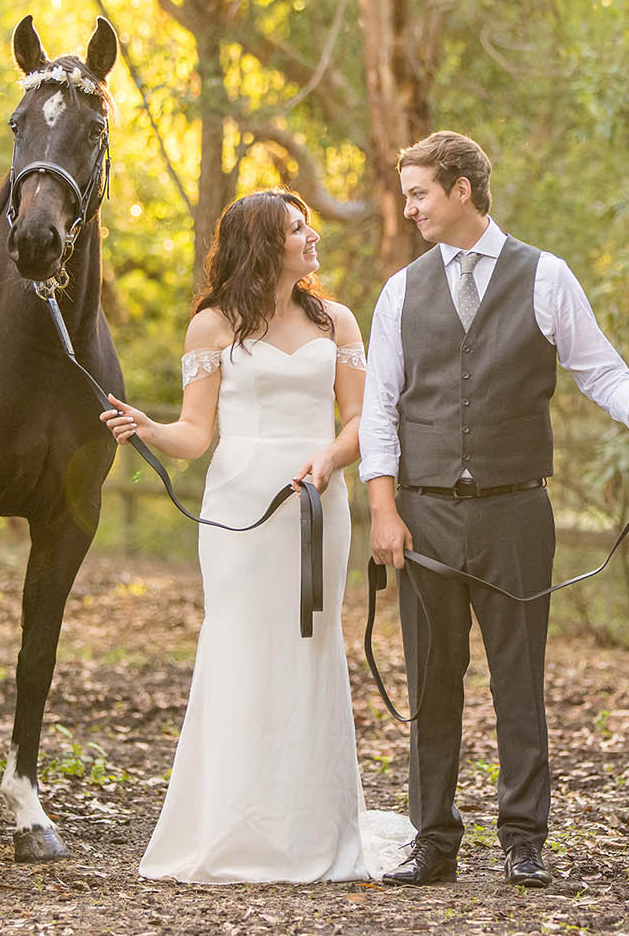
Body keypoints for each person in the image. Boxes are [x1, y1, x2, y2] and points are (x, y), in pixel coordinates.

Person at [359, 131, 629, 889]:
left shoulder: (546, 277)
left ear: (461, 190)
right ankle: (434, 841)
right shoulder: (400, 292)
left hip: (516, 513)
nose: (411, 206)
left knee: (519, 681)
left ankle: (524, 840)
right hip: (423, 519)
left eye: (420, 192)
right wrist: (383, 509)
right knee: (431, 683)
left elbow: (600, 371)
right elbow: (379, 409)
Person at [99, 189, 401, 883]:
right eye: (297, 229)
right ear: (266, 244)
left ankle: (309, 829)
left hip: (317, 499)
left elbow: (360, 421)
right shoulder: (212, 326)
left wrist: (327, 463)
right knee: (238, 645)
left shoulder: (339, 322)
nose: (311, 236)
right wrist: (147, 427)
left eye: (307, 224)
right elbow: (196, 434)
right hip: (239, 503)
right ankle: (231, 825)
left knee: (308, 642)